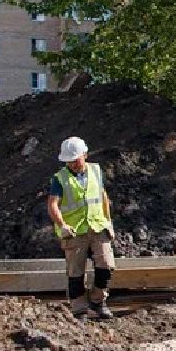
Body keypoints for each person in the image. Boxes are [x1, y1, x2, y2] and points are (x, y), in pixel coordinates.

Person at [46, 136, 116, 319]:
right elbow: (53, 204)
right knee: (75, 272)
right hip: (74, 230)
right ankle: (79, 308)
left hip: (98, 226)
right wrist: (62, 225)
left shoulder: (95, 171)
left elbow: (102, 197)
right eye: (69, 162)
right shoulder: (60, 179)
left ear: (85, 155)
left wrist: (109, 221)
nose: (73, 165)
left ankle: (98, 300)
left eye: (75, 160)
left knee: (106, 266)